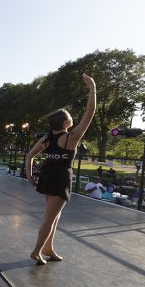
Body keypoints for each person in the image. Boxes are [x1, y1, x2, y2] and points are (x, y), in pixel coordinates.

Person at [25, 73, 96, 264]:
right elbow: (90, 113)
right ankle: (37, 251)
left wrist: (30, 176)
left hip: (47, 177)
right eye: (71, 117)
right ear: (65, 123)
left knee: (55, 216)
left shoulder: (46, 139)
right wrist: (92, 89)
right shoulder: (70, 138)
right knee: (50, 218)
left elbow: (29, 156)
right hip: (59, 179)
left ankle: (48, 248)